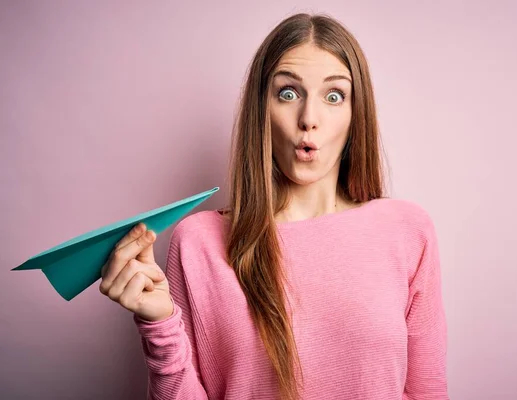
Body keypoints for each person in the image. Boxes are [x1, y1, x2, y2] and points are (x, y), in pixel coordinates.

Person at [99, 12, 449, 400]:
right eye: (288, 93)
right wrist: (159, 323)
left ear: (355, 115)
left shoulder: (407, 230)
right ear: (261, 110)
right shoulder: (199, 242)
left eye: (334, 96)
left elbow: (426, 392)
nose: (308, 119)